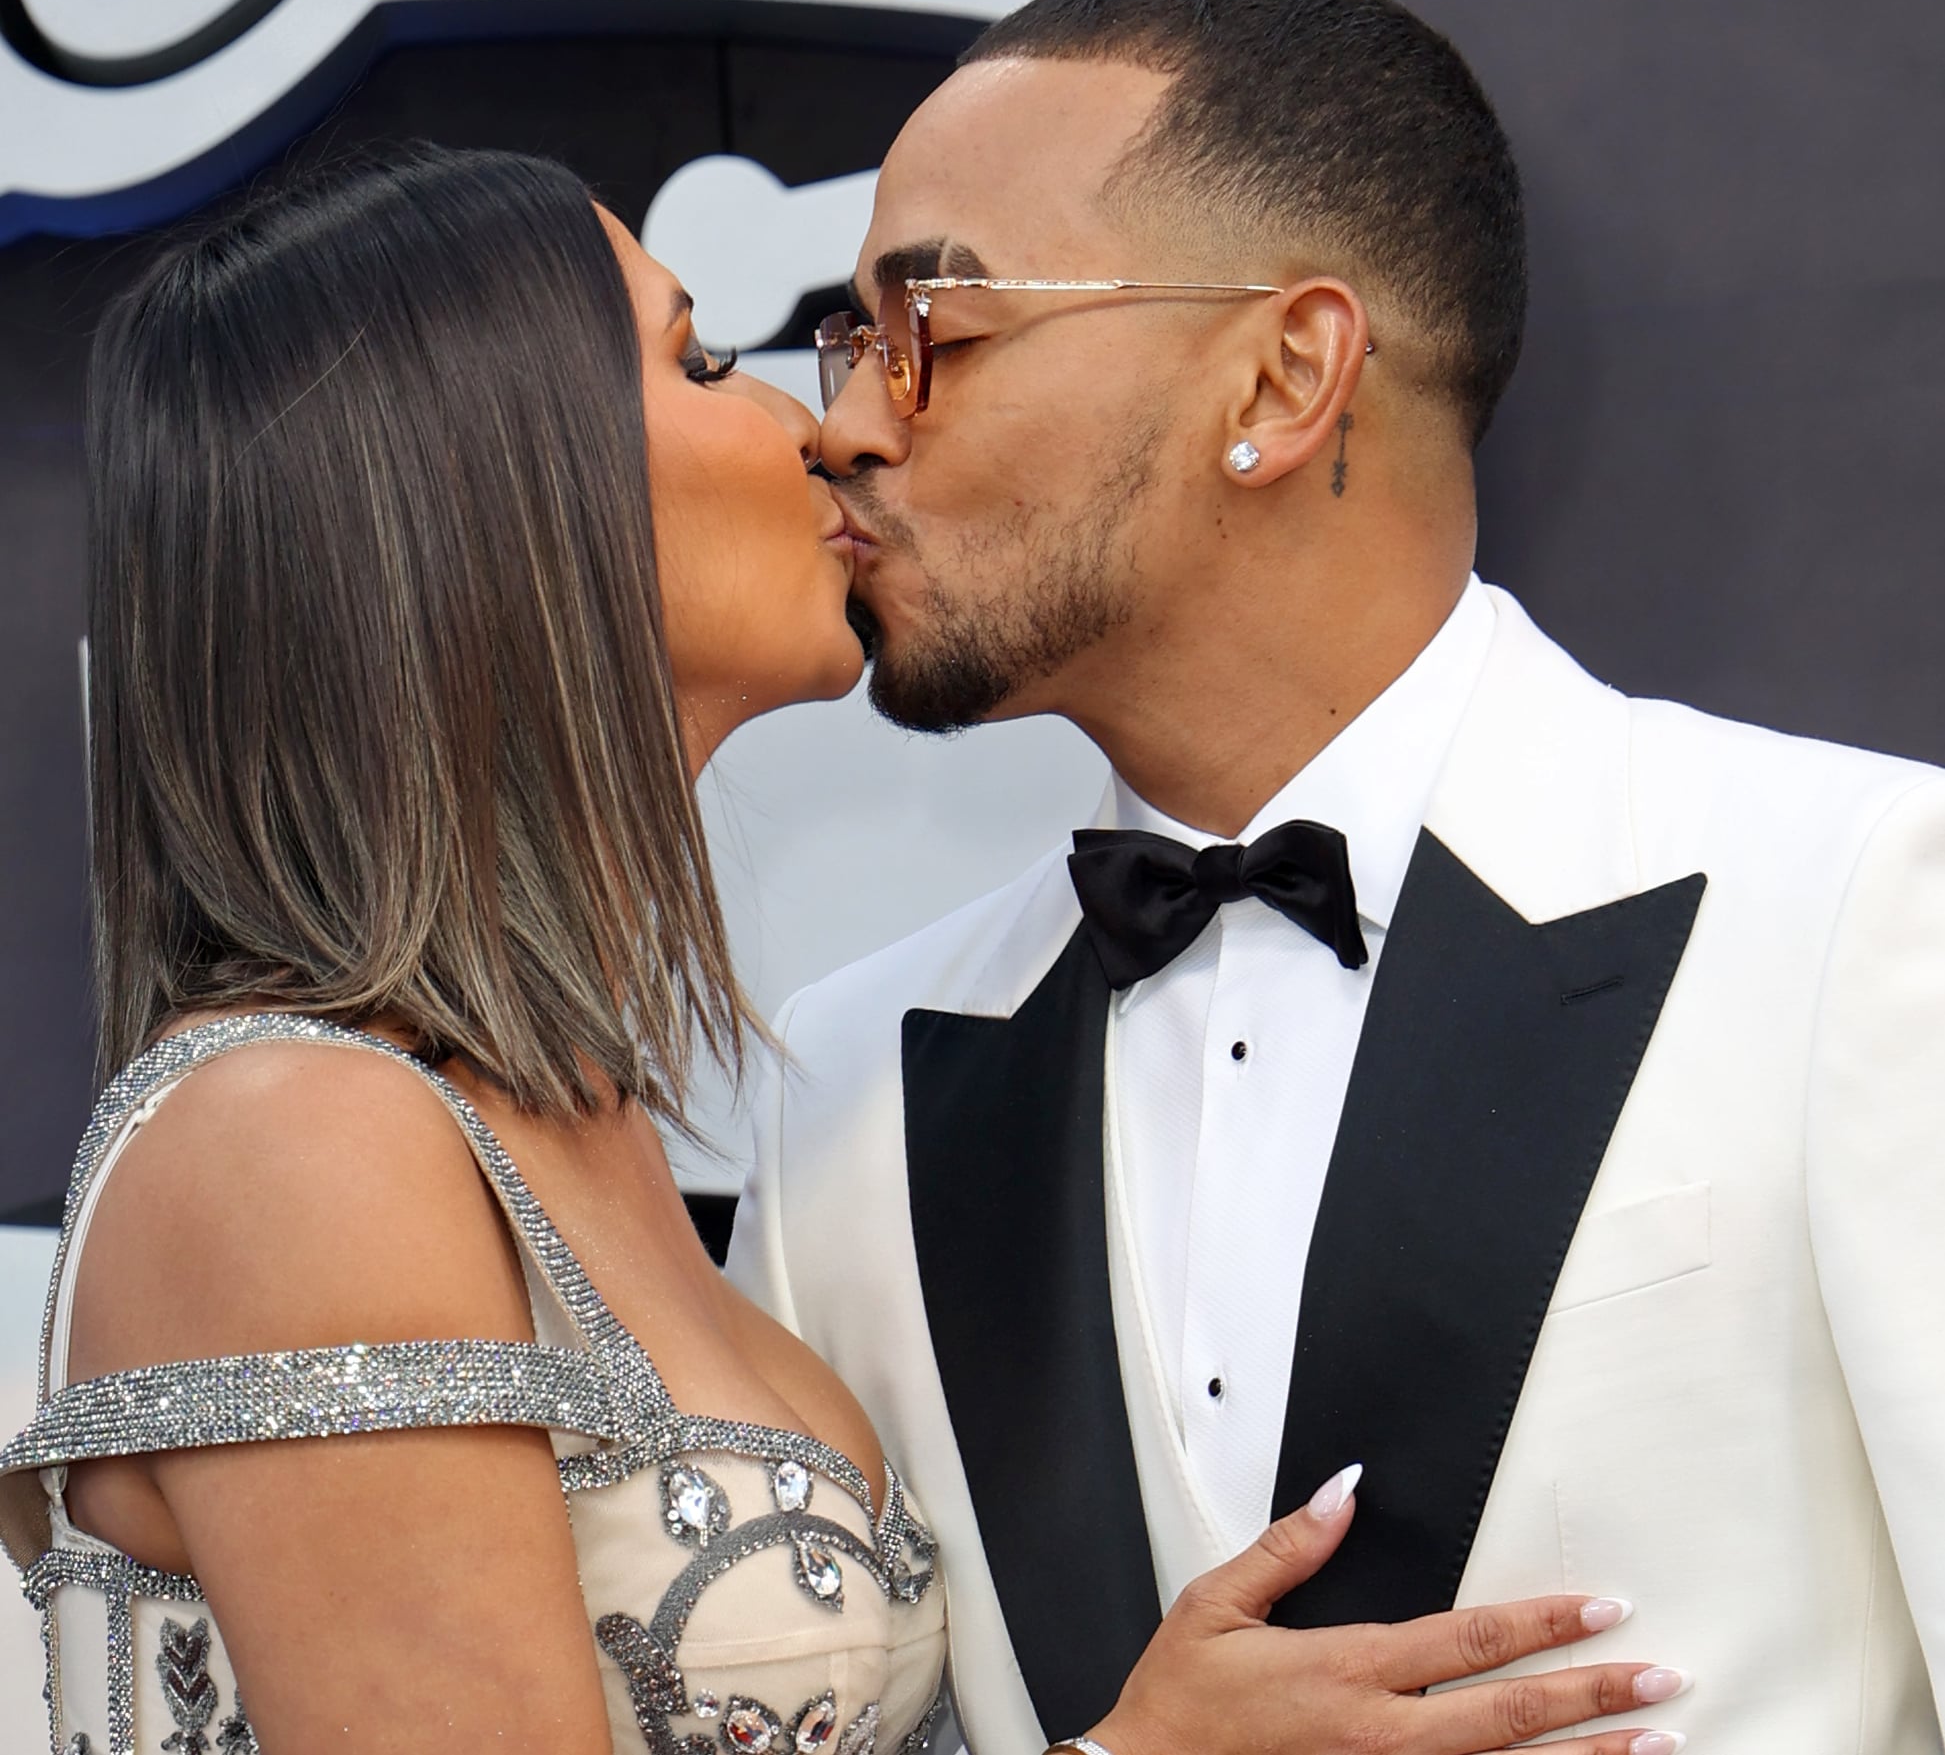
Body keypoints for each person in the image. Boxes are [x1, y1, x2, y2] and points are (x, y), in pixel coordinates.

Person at [0, 145, 1659, 1755]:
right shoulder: (299, 1133)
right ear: (489, 483)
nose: (823, 427)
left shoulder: (574, 1118)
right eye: (702, 357)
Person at [726, 0, 1945, 1755]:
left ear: (1288, 373)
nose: (843, 423)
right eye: (842, 343)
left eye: (933, 331)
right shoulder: (839, 1084)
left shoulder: (1860, 902)